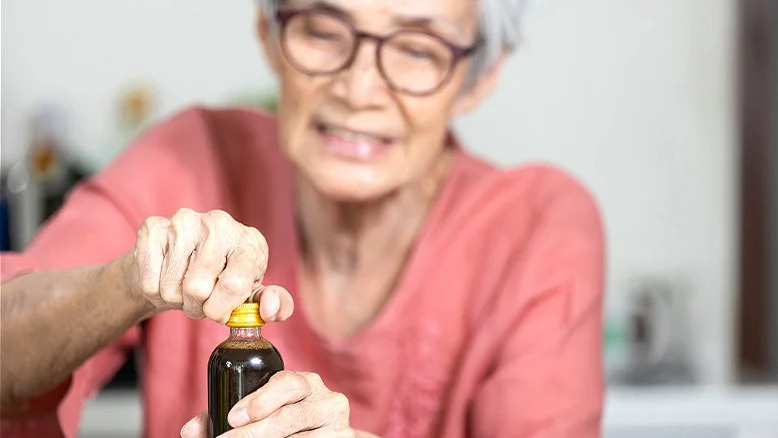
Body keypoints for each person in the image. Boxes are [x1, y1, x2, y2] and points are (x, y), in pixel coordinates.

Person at [0, 0, 605, 437]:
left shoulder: (538, 225)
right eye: (322, 28)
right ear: (268, 31)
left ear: (479, 75)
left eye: (419, 48)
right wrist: (128, 281)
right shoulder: (186, 159)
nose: (359, 87)